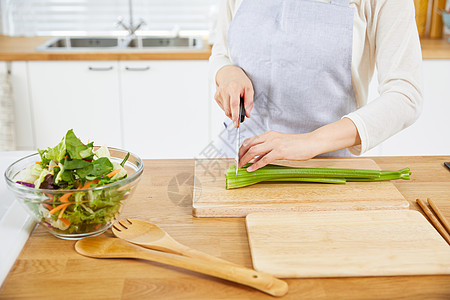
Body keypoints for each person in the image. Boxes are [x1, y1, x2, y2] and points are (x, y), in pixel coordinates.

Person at [209, 0, 423, 172]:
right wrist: (227, 72)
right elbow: (221, 52)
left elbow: (405, 95)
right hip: (238, 159)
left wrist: (310, 142)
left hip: (324, 168)